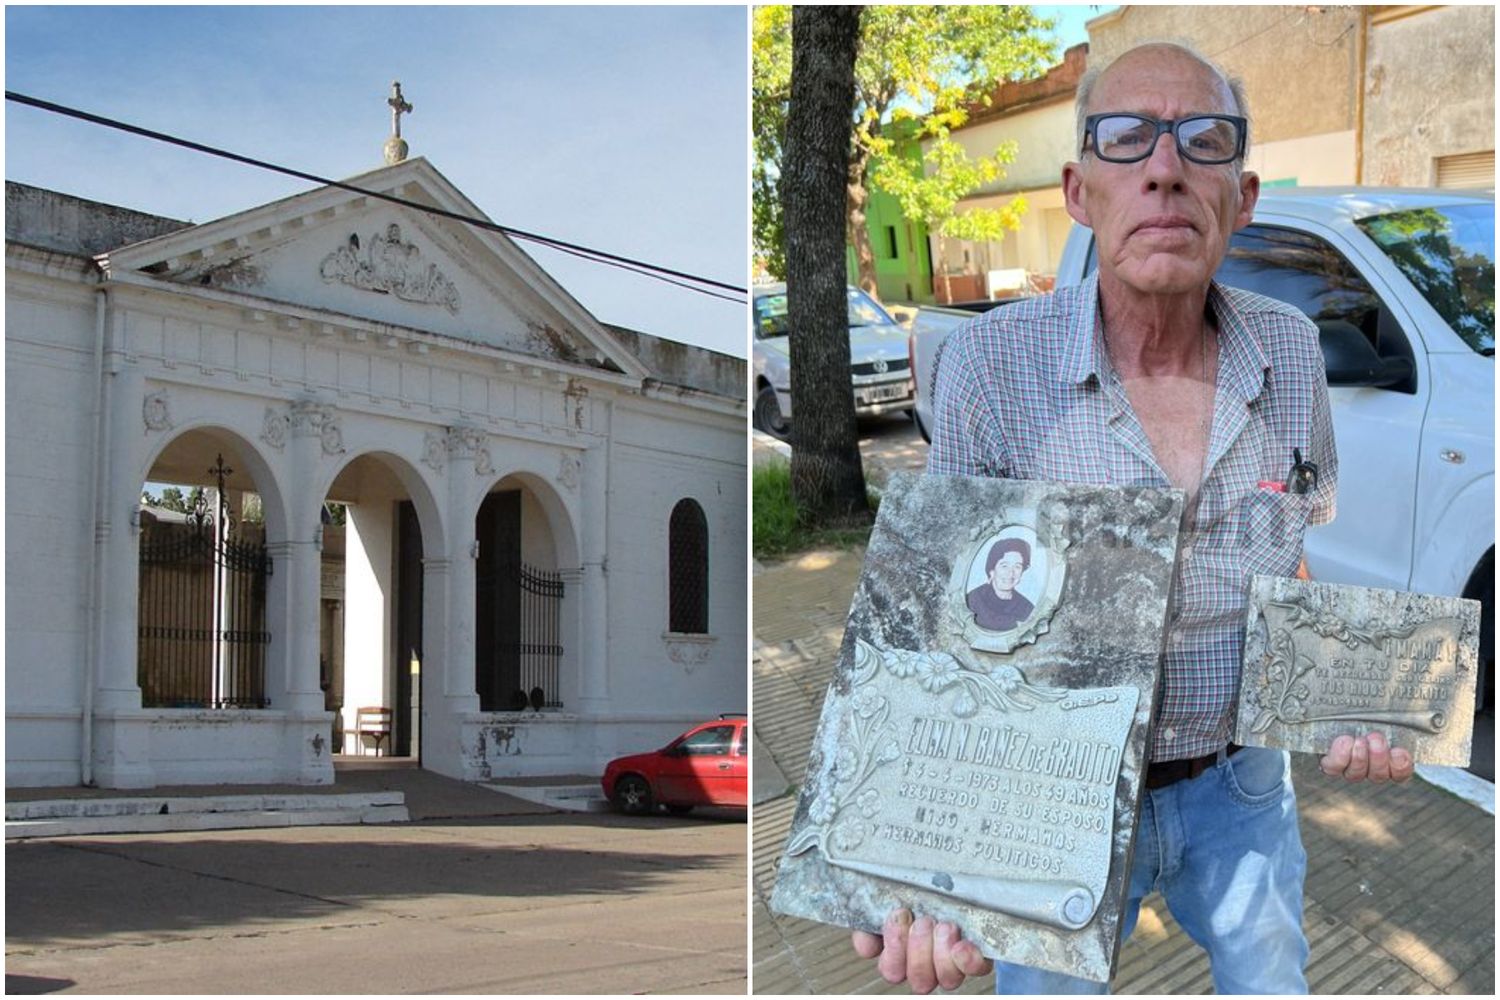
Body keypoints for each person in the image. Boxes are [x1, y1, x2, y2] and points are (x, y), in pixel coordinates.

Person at [851, 41, 1410, 995]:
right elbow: (935, 634)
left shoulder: (1291, 355)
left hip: (1241, 787)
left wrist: (1358, 701)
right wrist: (917, 862)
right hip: (1048, 806)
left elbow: (1292, 563)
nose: (1165, 168)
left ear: (1243, 195)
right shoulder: (991, 366)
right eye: (1127, 140)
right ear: (1078, 191)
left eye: (1205, 140)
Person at [967, 537, 1035, 631]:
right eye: (1004, 566)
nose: (1011, 573)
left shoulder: (1027, 608)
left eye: (1017, 567)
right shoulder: (973, 600)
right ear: (992, 570)